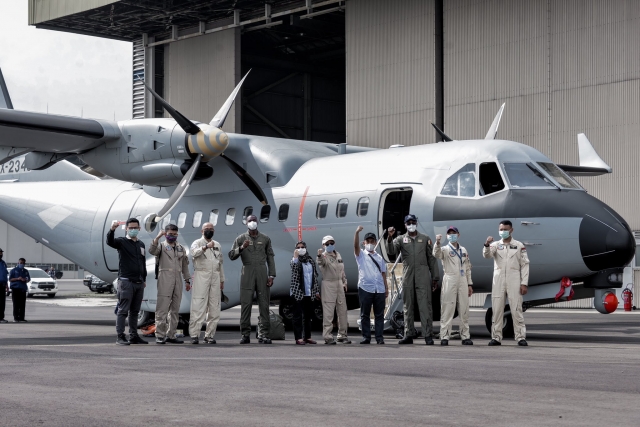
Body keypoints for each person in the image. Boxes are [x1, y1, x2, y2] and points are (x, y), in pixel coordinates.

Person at [386, 214, 439, 345]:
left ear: (416, 223)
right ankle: (408, 334)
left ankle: (428, 335)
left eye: (413, 222)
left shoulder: (425, 238)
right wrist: (389, 237)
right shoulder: (400, 239)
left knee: (425, 305)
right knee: (407, 306)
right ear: (405, 225)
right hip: (408, 274)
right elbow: (391, 251)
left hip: (423, 275)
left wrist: (435, 277)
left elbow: (432, 259)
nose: (411, 224)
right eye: (408, 222)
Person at [229, 214, 276, 344]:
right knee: (246, 304)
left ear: (257, 222)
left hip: (262, 271)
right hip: (247, 272)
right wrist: (242, 247)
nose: (253, 222)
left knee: (264, 304)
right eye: (250, 221)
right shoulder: (241, 238)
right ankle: (245, 334)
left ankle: (264, 334)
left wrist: (271, 275)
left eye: (254, 220)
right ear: (246, 223)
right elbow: (231, 255)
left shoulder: (265, 239)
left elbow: (270, 257)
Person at [483, 220, 530, 346]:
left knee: (516, 308)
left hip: (514, 278)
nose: (503, 231)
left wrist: (524, 283)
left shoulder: (519, 245)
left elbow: (525, 265)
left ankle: (520, 337)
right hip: (498, 279)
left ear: (511, 230)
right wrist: (486, 244)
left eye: (505, 229)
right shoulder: (495, 245)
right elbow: (487, 255)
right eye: (501, 229)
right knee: (497, 309)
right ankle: (496, 337)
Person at [106, 218, 148, 346]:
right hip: (126, 281)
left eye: (136, 228)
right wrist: (112, 229)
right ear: (126, 229)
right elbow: (110, 241)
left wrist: (144, 279)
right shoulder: (122, 242)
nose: (133, 230)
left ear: (139, 229)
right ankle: (120, 336)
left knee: (135, 311)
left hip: (139, 282)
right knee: (123, 310)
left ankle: (134, 335)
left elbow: (142, 262)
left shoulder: (141, 244)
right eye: (131, 228)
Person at [149, 224, 191, 345]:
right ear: (165, 233)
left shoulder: (181, 248)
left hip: (177, 279)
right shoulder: (161, 247)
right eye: (170, 233)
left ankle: (171, 334)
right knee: (162, 308)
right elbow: (152, 250)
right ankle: (160, 335)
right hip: (165, 277)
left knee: (175, 309)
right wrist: (157, 238)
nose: (172, 236)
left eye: (174, 234)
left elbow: (184, 266)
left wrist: (187, 280)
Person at [433, 226, 473, 346]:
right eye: (449, 233)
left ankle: (465, 336)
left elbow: (468, 268)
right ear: (447, 236)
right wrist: (438, 243)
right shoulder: (444, 249)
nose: (452, 235)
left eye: (454, 233)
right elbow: (436, 253)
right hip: (449, 278)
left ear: (458, 235)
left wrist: (470, 283)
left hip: (463, 280)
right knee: (447, 308)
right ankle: (444, 336)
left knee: (464, 308)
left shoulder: (464, 250)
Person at [189, 222, 225, 344]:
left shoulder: (217, 245)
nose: (209, 230)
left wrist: (222, 279)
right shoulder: (197, 243)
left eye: (211, 229)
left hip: (215, 275)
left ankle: (209, 335)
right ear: (202, 231)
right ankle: (194, 334)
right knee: (198, 305)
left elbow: (220, 263)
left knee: (214, 307)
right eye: (207, 229)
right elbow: (193, 253)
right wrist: (205, 247)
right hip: (201, 274)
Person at [354, 226, 388, 344]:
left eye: (372, 241)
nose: (370, 243)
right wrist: (357, 233)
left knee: (379, 315)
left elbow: (383, 273)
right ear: (364, 243)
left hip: (379, 289)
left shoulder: (379, 258)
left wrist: (386, 288)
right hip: (365, 288)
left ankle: (379, 338)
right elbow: (355, 247)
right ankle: (366, 337)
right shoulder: (361, 255)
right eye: (368, 241)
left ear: (375, 242)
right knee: (365, 314)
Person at [317, 235, 350, 344]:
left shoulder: (338, 254)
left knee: (342, 310)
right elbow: (321, 263)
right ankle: (328, 337)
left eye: (331, 243)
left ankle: (342, 335)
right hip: (328, 284)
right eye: (327, 244)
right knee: (328, 312)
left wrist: (344, 281)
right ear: (323, 245)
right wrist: (319, 256)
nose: (330, 245)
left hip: (339, 284)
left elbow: (342, 269)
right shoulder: (323, 256)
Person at [290, 241, 320, 345]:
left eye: (302, 247)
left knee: (308, 316)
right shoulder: (295, 261)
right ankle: (298, 338)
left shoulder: (310, 261)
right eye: (298, 247)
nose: (301, 249)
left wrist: (316, 291)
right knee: (297, 316)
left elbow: (314, 277)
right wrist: (295, 257)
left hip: (309, 292)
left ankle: (307, 336)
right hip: (298, 292)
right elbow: (294, 269)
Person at [9, 258, 29, 323]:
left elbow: (28, 279)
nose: (22, 264)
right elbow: (10, 279)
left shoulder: (25, 271)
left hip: (23, 289)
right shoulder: (14, 270)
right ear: (18, 263)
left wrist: (24, 279)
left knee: (22, 304)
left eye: (23, 263)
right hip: (15, 289)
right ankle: (16, 318)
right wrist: (17, 278)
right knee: (16, 304)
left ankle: (21, 318)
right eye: (21, 263)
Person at [0, 249, 8, 323]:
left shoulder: (3, 263)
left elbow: (5, 275)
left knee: (2, 302)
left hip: (2, 285)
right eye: (0, 252)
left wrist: (7, 285)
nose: (1, 254)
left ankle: (1, 317)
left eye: (1, 252)